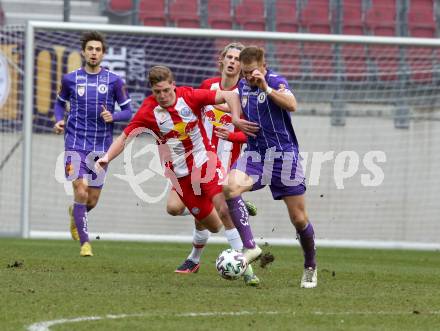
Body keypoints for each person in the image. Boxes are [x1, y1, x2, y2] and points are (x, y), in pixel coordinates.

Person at [95, 65, 260, 283]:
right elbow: (125, 137)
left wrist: (236, 120)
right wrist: (107, 157)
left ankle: (247, 271)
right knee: (214, 224)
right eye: (157, 92)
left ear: (173, 85)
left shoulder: (189, 96)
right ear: (152, 91)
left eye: (166, 90)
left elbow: (229, 95)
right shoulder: (148, 111)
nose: (162, 96)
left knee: (224, 211)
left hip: (206, 162)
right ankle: (234, 203)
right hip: (182, 178)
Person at [222, 46, 318, 288]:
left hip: (283, 157)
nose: (247, 77)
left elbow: (292, 104)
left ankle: (310, 265)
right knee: (230, 187)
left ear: (263, 66)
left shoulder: (275, 81)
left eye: (251, 72)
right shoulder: (243, 84)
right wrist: (235, 118)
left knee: (298, 218)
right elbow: (231, 96)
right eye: (244, 73)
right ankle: (250, 247)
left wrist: (265, 87)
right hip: (255, 154)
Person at [166, 43, 259, 286]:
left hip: (225, 164)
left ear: (242, 65)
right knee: (174, 208)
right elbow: (193, 109)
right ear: (221, 60)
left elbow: (253, 133)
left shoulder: (246, 93)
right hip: (197, 159)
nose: (232, 62)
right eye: (228, 57)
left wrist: (233, 135)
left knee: (216, 214)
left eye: (237, 59)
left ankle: (198, 259)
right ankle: (234, 207)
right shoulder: (208, 86)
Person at [53, 31, 132, 257]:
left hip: (101, 146)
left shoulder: (114, 81)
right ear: (83, 52)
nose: (94, 53)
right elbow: (59, 104)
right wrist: (59, 120)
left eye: (98, 49)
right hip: (74, 142)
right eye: (90, 49)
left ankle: (75, 213)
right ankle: (85, 244)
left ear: (103, 54)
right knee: (80, 188)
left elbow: (128, 111)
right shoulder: (70, 79)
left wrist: (113, 117)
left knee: (91, 199)